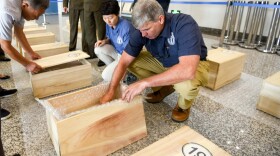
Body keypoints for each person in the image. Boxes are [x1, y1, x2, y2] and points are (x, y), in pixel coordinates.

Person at [100, 0, 209, 123]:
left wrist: (144, 83)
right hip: (164, 62)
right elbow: (123, 62)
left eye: (147, 29)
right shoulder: (141, 31)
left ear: (160, 19)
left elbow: (187, 70)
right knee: (133, 63)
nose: (143, 34)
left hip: (192, 65)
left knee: (187, 85)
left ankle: (183, 106)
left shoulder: (184, 24)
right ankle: (163, 88)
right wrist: (111, 90)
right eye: (140, 30)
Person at [0, 0, 49, 155]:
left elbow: (18, 32)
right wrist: (27, 64)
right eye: (37, 15)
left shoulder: (20, 8)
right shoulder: (8, 10)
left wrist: (31, 53)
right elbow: (5, 45)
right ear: (26, 5)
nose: (36, 19)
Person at [94, 0, 135, 81]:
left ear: (118, 14)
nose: (108, 21)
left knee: (105, 76)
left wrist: (122, 67)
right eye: (104, 18)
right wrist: (104, 41)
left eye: (110, 17)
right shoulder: (109, 24)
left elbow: (130, 52)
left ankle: (126, 72)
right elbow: (110, 38)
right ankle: (116, 69)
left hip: (126, 55)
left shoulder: (126, 27)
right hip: (117, 52)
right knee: (98, 49)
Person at [83, 0, 106, 66]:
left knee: (101, 31)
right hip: (87, 5)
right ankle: (92, 53)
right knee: (89, 31)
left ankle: (102, 56)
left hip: (99, 4)